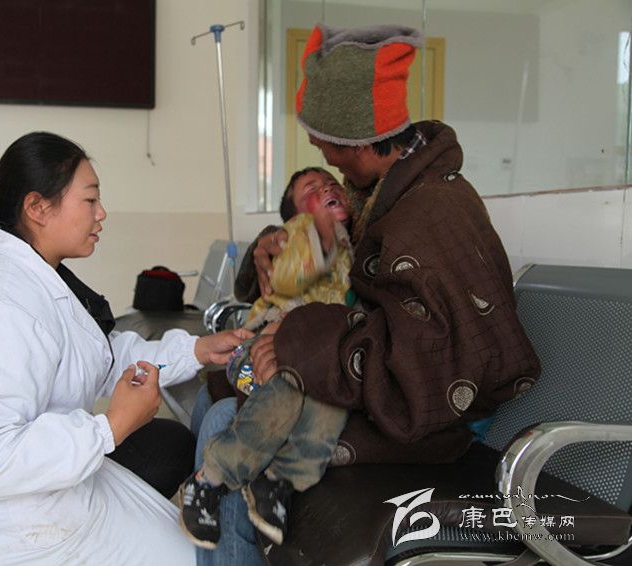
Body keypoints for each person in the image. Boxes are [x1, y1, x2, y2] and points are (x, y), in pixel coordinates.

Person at [197, 23, 542, 564]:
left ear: (356, 141)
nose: (326, 161)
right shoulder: (381, 195)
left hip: (433, 415)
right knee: (218, 389)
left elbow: (427, 356)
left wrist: (299, 342)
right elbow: (330, 270)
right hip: (376, 378)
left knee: (228, 420)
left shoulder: (431, 214)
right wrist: (271, 246)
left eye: (326, 148)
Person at [0, 131, 250, 565]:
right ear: (37, 208)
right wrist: (111, 426)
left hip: (42, 484)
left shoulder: (38, 276)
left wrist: (197, 350)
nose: (101, 213)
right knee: (194, 561)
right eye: (90, 200)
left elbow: (100, 357)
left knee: (172, 471)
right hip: (1, 526)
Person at [178, 167, 354, 548]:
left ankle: (278, 481)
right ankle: (208, 479)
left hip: (312, 354)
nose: (326, 188)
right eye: (312, 189)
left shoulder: (349, 243)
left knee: (329, 405)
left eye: (331, 183)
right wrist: (318, 241)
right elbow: (284, 278)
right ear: (296, 215)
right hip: (259, 349)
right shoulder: (302, 232)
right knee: (282, 397)